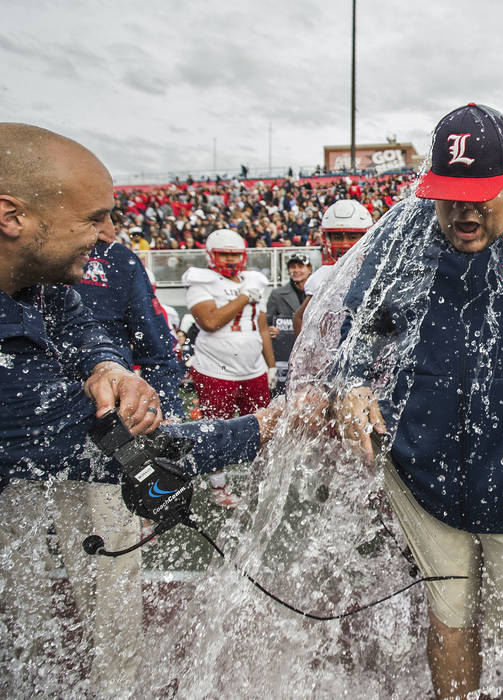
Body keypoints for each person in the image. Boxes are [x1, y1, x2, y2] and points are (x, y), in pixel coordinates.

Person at [330, 103, 503, 699]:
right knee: (449, 618)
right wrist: (353, 384)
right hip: (427, 464)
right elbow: (361, 319)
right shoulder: (407, 227)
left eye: (480, 195)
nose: (462, 211)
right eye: (448, 195)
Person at [0, 123, 286, 697]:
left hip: (54, 452)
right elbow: (81, 441)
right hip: (60, 451)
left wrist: (110, 367)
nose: (107, 235)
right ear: (12, 216)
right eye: (94, 218)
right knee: (19, 600)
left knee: (88, 591)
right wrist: (267, 426)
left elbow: (84, 328)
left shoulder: (42, 279)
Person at [183, 228, 276, 507]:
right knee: (215, 429)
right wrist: (244, 296)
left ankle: (260, 481)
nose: (231, 259)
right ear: (212, 255)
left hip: (253, 368)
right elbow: (209, 322)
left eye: (235, 254)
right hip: (216, 369)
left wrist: (270, 366)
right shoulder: (201, 282)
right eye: (224, 254)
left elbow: (260, 327)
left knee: (264, 427)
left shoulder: (254, 280)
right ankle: (218, 486)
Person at [76, 213, 185, 418]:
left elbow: (158, 354)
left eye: (108, 218)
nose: (109, 233)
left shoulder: (118, 259)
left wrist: (169, 418)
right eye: (93, 219)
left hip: (105, 415)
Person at [292, 199, 371, 335]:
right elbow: (299, 318)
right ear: (327, 237)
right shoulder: (323, 276)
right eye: (338, 237)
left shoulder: (376, 270)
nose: (345, 243)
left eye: (352, 236)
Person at [267, 253, 312, 395]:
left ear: (310, 269)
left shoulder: (321, 290)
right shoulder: (277, 294)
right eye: (292, 267)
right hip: (286, 352)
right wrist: (270, 329)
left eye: (300, 266)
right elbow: (267, 321)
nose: (296, 270)